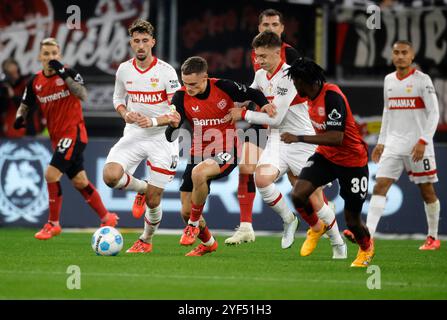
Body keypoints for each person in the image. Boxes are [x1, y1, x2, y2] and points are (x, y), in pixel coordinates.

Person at [228, 31, 346, 258]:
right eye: (257, 56)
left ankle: (337, 242)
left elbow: (276, 118)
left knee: (315, 199)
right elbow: (252, 91)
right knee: (261, 178)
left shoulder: (290, 77)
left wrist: (243, 113)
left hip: (302, 141)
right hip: (277, 140)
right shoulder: (262, 74)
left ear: (277, 52)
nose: (259, 61)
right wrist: (235, 102)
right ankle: (289, 220)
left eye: (263, 56)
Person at [162, 56, 270, 256]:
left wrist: (264, 106)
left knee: (199, 173)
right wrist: (173, 125)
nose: (189, 88)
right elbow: (171, 136)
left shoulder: (224, 86)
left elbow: (254, 93)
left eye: (193, 84)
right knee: (185, 211)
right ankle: (209, 243)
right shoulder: (180, 96)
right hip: (198, 151)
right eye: (185, 83)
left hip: (227, 148)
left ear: (205, 78)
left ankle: (194, 225)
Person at [14, 37, 118, 240]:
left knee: (51, 174)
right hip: (57, 138)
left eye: (54, 53)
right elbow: (26, 103)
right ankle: (107, 217)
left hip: (74, 133)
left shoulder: (69, 73)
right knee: (80, 181)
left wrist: (63, 71)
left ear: (59, 55)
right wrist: (20, 117)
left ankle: (53, 224)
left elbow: (82, 94)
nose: (50, 57)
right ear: (40, 57)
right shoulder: (35, 81)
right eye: (46, 54)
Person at [345, 40, 441, 250]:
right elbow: (387, 112)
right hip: (394, 144)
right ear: (392, 56)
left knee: (427, 190)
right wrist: (381, 142)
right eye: (396, 52)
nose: (400, 56)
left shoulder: (422, 80)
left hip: (418, 144)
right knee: (380, 186)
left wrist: (424, 140)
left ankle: (433, 237)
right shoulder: (389, 80)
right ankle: (368, 235)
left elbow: (434, 113)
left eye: (404, 52)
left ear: (412, 55)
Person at [280, 57, 374, 267]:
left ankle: (366, 248)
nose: (294, 86)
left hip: (352, 161)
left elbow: (336, 137)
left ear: (305, 81)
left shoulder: (331, 96)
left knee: (352, 220)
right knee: (298, 194)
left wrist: (298, 138)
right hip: (326, 156)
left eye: (295, 81)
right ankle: (317, 227)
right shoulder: (309, 97)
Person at [103, 19, 181, 253]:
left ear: (153, 42)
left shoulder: (166, 72)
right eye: (136, 41)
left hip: (162, 138)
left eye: (145, 41)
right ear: (131, 43)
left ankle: (145, 240)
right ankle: (142, 187)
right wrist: (125, 113)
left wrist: (154, 121)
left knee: (154, 200)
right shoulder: (124, 69)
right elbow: (117, 99)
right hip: (135, 133)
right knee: (110, 176)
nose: (140, 45)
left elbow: (177, 114)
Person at [226, 8, 302, 245]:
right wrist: (243, 99)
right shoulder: (257, 52)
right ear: (259, 28)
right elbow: (258, 84)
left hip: (287, 126)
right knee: (246, 165)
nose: (270, 29)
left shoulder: (291, 56)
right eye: (265, 25)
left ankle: (319, 222)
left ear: (282, 29)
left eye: (274, 25)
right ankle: (246, 226)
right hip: (261, 119)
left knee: (298, 185)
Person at [0, 58, 43, 137]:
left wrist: (13, 97)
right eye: (11, 73)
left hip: (29, 129)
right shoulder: (3, 86)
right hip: (7, 131)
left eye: (17, 71)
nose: (15, 75)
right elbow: (3, 108)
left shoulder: (26, 83)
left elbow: (30, 106)